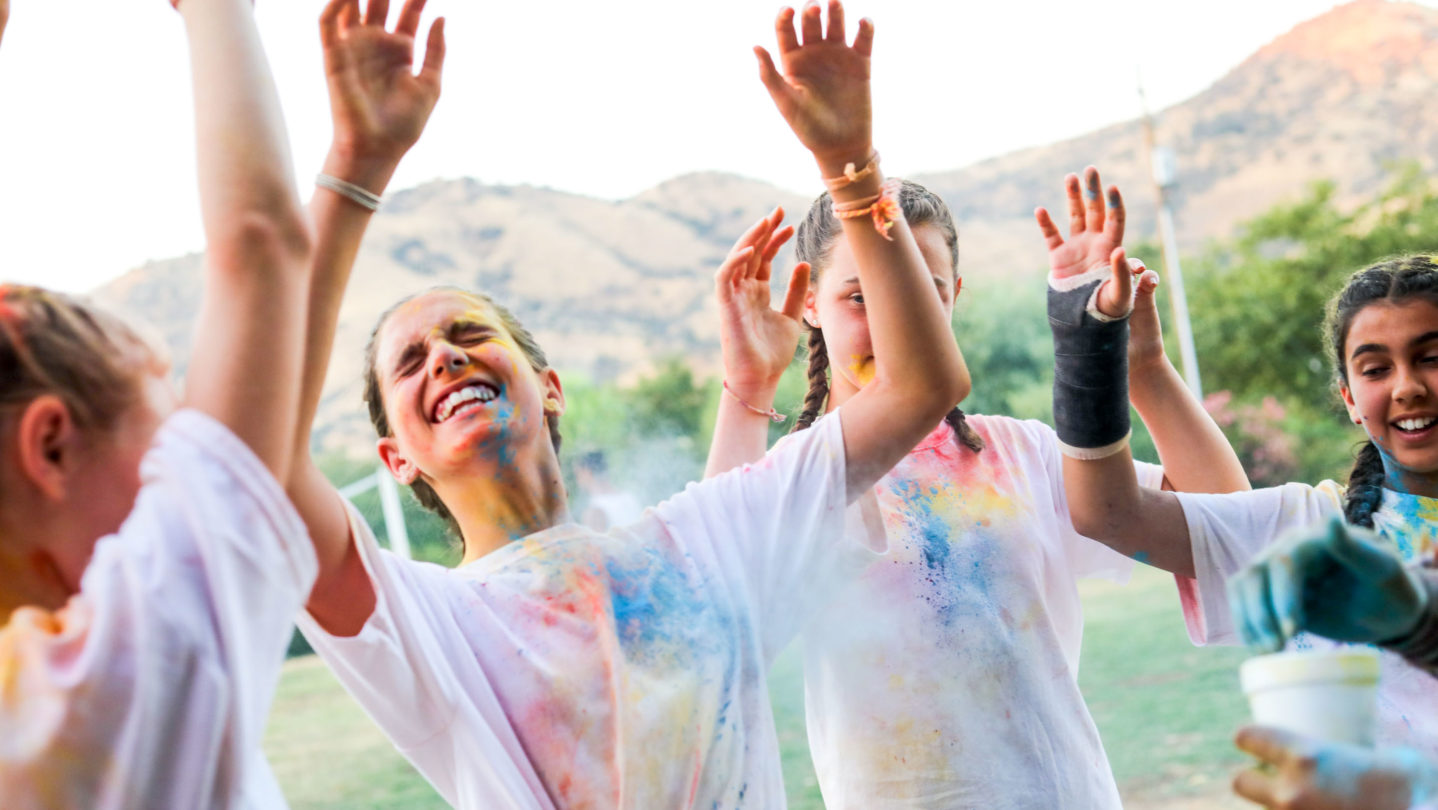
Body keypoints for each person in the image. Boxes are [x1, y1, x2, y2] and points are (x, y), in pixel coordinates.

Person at [283, 0, 969, 806]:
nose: (444, 355)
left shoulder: (693, 544)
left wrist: (853, 170)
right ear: (396, 457)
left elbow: (923, 384)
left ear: (548, 386)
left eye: (470, 331)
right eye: (409, 363)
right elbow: (260, 459)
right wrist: (354, 171)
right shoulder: (421, 622)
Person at [703, 164, 1249, 806]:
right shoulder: (797, 477)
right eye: (859, 297)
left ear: (953, 297)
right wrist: (747, 385)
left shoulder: (1022, 454)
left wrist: (1140, 363)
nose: (894, 322)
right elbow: (713, 619)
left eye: (921, 293)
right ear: (812, 305)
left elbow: (1232, 529)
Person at [0, 0, 316, 806]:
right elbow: (261, 241)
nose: (199, 444)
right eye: (169, 432)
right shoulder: (110, 689)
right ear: (51, 448)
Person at [1050, 241, 1438, 769]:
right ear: (1349, 399)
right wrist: (1095, 353)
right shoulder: (1310, 535)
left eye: (1431, 358)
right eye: (1375, 370)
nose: (1408, 387)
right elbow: (1107, 511)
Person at [573, 450, 642, 531]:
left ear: (587, 472)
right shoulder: (630, 497)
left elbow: (594, 543)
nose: (577, 481)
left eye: (577, 474)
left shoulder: (595, 510)